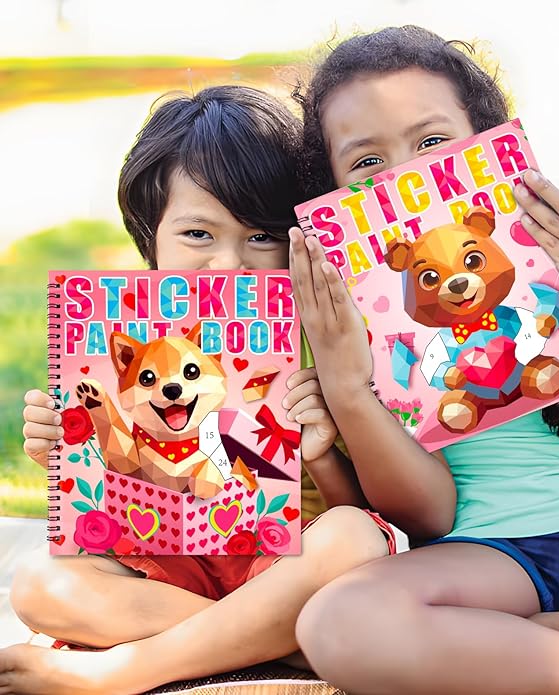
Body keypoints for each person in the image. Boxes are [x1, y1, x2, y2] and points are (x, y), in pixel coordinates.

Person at [289, 26, 559, 695]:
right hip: (487, 556)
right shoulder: (338, 311)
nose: (404, 176)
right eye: (366, 161)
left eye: (431, 143)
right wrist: (347, 388)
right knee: (338, 622)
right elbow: (427, 518)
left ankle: (533, 642)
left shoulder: (556, 240)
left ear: (487, 140)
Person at [2, 85, 395, 695]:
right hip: (168, 568)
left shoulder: (329, 333)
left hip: (292, 564)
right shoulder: (117, 337)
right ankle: (279, 643)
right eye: (197, 235)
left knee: (355, 536)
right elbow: (110, 499)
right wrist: (65, 455)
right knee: (37, 584)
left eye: (261, 237)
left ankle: (126, 670)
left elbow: (372, 510)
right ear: (150, 239)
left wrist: (320, 451)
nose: (229, 265)